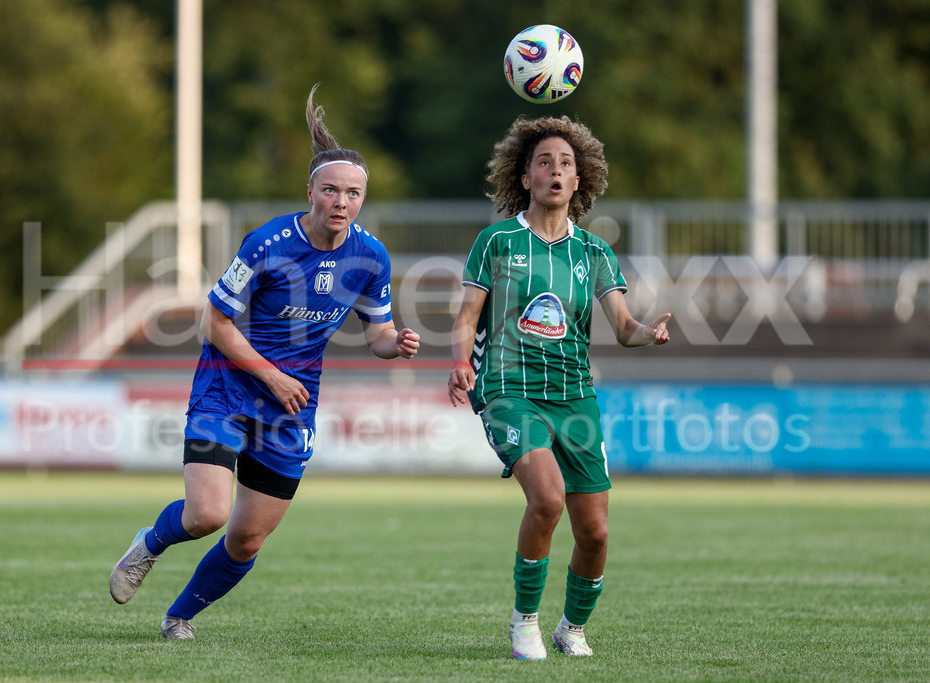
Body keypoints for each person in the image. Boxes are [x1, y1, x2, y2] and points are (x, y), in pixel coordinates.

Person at [110, 85, 420, 640]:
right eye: (330, 191)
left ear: (362, 199)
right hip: (227, 388)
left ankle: (179, 617)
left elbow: (376, 332)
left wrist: (396, 343)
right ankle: (149, 544)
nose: (341, 202)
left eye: (352, 193)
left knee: (247, 538)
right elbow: (214, 323)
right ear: (311, 192)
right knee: (206, 514)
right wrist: (272, 375)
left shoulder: (371, 256)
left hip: (291, 405)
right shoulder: (267, 243)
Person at [447, 116, 670, 660]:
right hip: (508, 389)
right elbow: (466, 316)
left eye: (566, 164)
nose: (555, 171)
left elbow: (622, 328)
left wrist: (648, 332)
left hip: (574, 396)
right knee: (546, 499)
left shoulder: (593, 253)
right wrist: (460, 362)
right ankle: (524, 620)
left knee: (594, 533)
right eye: (544, 162)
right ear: (524, 177)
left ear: (580, 180)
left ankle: (572, 627)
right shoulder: (497, 241)